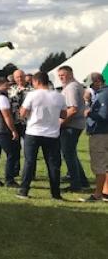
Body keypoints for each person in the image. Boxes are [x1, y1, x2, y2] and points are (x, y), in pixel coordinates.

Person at [16, 72, 66, 200]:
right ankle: (55, 194)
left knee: (29, 162)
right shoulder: (59, 96)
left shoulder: (32, 95)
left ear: (36, 82)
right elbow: (64, 115)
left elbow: (23, 113)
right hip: (52, 134)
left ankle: (24, 190)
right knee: (54, 164)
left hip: (34, 132)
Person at [57, 65, 89, 192]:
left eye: (63, 75)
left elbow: (73, 109)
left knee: (68, 154)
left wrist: (61, 124)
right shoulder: (74, 86)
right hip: (75, 124)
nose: (61, 78)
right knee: (71, 153)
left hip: (71, 125)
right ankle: (82, 181)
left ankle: (76, 185)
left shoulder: (71, 87)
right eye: (59, 76)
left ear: (70, 74)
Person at [80, 72, 108, 202]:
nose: (90, 88)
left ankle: (98, 194)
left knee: (99, 164)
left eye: (91, 85)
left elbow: (103, 116)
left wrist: (88, 112)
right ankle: (104, 191)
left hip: (100, 133)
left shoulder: (103, 95)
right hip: (102, 132)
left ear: (97, 81)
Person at [8, 69, 33, 179]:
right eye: (17, 77)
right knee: (15, 148)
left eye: (21, 76)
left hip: (29, 123)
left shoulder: (32, 89)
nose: (19, 79)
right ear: (14, 78)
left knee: (29, 150)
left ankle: (30, 173)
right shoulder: (11, 89)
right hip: (16, 122)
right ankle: (15, 170)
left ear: (25, 77)